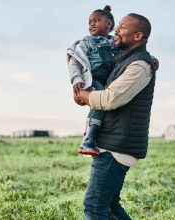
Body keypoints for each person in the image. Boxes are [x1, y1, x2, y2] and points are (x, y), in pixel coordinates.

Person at [75, 13, 157, 219]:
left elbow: (111, 99)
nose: (116, 31)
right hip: (114, 141)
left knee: (94, 206)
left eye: (122, 27)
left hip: (117, 146)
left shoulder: (139, 65)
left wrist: (84, 95)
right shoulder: (126, 59)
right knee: (110, 205)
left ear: (138, 36)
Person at [67, 5, 118, 156]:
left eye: (96, 20)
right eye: (90, 22)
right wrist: (76, 78)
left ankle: (102, 139)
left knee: (109, 108)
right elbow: (74, 62)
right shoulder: (86, 42)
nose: (92, 24)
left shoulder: (116, 42)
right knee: (98, 105)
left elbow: (132, 51)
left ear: (108, 24)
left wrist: (150, 58)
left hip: (110, 82)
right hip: (93, 80)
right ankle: (87, 141)